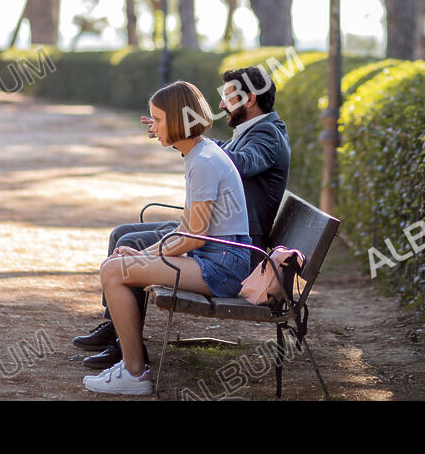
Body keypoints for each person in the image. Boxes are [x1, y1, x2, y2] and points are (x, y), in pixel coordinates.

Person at [73, 66, 290, 370]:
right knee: (123, 234)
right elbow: (212, 158)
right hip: (217, 230)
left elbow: (239, 162)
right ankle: (118, 330)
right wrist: (175, 132)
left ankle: (125, 347)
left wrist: (178, 132)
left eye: (228, 97)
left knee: (129, 243)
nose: (221, 105)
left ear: (250, 98)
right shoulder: (216, 148)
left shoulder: (267, 133)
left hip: (231, 242)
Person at [83, 81, 252, 395]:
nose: (152, 127)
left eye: (158, 120)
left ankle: (134, 373)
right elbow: (185, 229)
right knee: (120, 257)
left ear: (177, 120)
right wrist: (141, 254)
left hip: (223, 266)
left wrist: (141, 258)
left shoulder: (202, 162)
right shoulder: (198, 153)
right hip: (218, 259)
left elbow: (194, 238)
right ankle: (132, 366)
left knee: (112, 271)